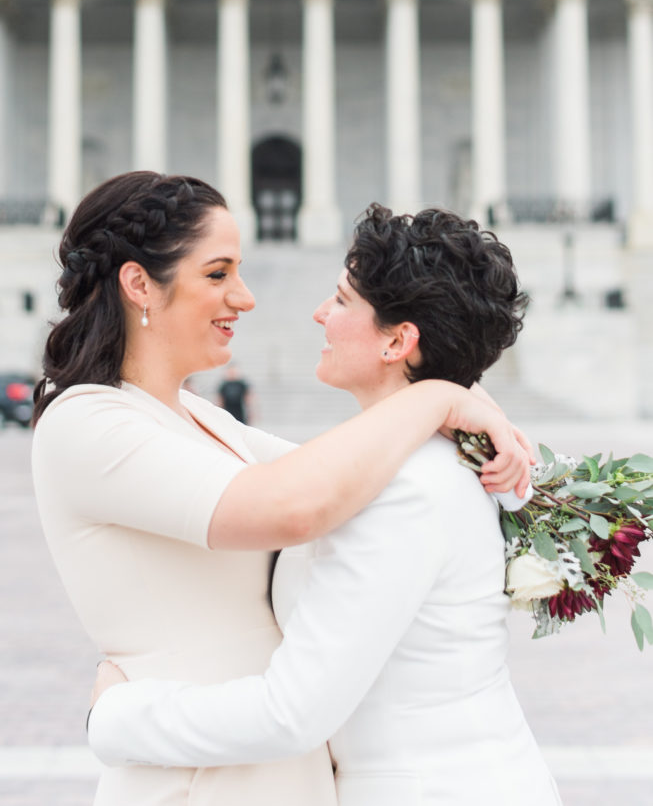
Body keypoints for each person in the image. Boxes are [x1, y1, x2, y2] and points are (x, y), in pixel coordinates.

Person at [31, 173, 530, 806]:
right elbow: (294, 506)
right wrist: (437, 395)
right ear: (139, 285)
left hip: (274, 770)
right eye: (218, 273)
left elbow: (340, 479)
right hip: (196, 779)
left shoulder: (199, 417)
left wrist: (452, 378)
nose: (245, 297)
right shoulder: (85, 423)